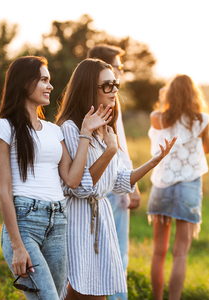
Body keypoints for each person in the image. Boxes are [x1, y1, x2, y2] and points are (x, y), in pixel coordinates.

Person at [0, 56, 113, 300]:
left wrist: (85, 133)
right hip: (25, 223)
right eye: (44, 80)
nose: (50, 86)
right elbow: (4, 190)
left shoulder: (54, 131)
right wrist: (17, 246)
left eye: (49, 80)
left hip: (58, 221)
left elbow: (73, 180)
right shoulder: (3, 128)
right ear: (24, 83)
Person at [55, 58, 177, 300]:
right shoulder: (70, 128)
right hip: (78, 222)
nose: (114, 91)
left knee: (94, 292)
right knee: (85, 292)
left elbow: (120, 181)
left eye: (116, 84)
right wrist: (110, 151)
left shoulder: (105, 129)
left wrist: (153, 161)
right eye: (107, 85)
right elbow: (78, 186)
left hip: (102, 220)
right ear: (89, 88)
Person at [148, 74, 209, 300]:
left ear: (169, 93)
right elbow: (207, 148)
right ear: (194, 94)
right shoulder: (202, 120)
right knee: (180, 254)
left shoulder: (158, 118)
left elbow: (160, 118)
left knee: (159, 251)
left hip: (162, 184)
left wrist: (164, 98)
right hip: (189, 186)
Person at [87, 44, 141, 300]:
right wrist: (133, 186)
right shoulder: (109, 103)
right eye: (117, 67)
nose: (119, 74)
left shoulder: (99, 102)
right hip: (110, 183)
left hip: (107, 181)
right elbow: (118, 147)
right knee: (117, 254)